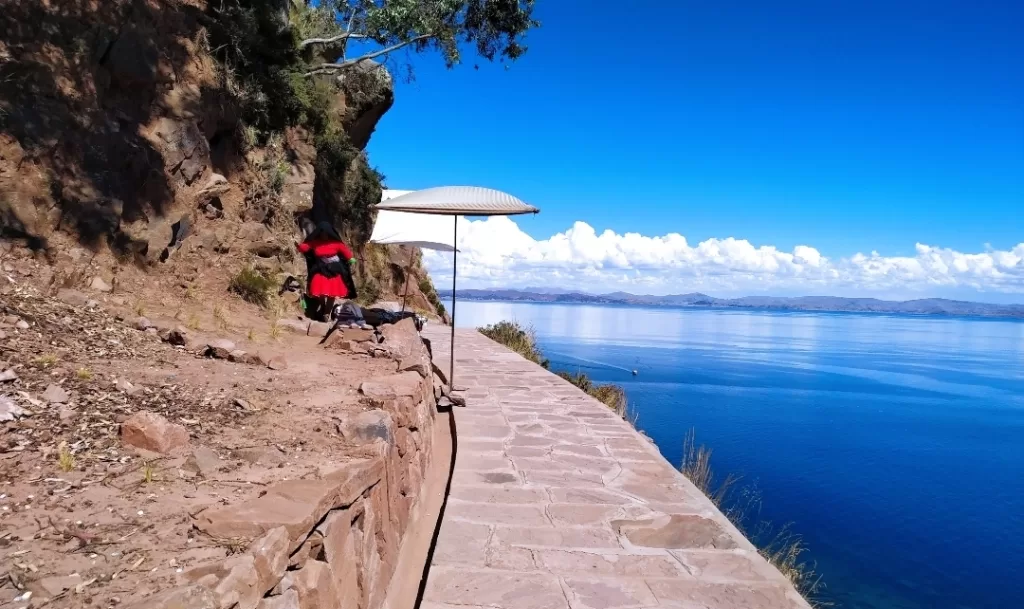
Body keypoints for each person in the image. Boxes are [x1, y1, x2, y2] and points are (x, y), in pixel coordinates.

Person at [297, 221, 357, 321]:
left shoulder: (337, 243)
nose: (324, 235)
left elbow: (346, 252)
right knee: (319, 289)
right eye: (321, 233)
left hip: (334, 269)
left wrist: (350, 258)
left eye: (325, 233)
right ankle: (323, 306)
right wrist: (300, 246)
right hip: (320, 268)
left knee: (332, 292)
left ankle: (327, 313)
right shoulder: (315, 243)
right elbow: (306, 247)